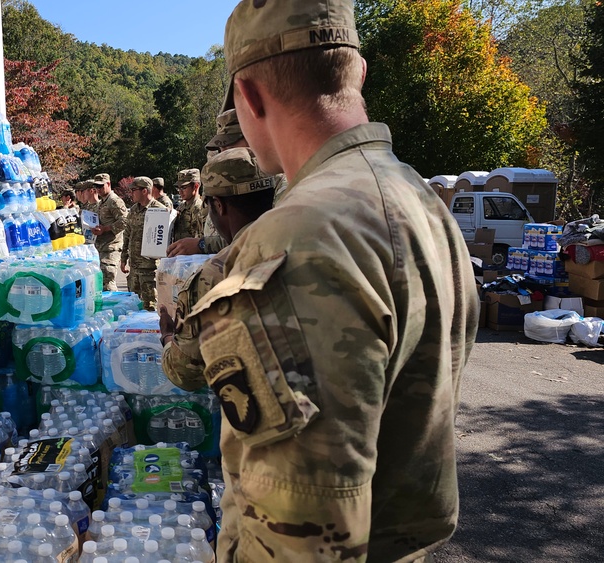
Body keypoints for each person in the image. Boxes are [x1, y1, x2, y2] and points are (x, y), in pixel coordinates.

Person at [181, 1, 480, 561]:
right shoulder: (420, 198)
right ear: (357, 72)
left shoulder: (295, 237)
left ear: (248, 97)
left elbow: (301, 534)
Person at [161, 147, 281, 390]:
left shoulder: (218, 273)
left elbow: (185, 374)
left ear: (218, 204)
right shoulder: (308, 241)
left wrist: (167, 336)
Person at [168, 109, 248, 258]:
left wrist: (202, 245)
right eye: (220, 148)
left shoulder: (272, 182)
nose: (223, 153)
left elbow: (255, 238)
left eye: (229, 146)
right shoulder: (221, 181)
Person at [121, 177, 167, 309]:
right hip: (134, 268)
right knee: (133, 307)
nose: (131, 193)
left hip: (150, 269)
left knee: (150, 308)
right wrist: (124, 258)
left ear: (145, 191)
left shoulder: (159, 210)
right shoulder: (134, 210)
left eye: (134, 190)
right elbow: (127, 234)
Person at [90, 173, 127, 291]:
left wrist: (105, 229)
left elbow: (125, 221)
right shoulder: (102, 202)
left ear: (108, 184)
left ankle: (113, 307)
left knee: (108, 281)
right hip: (101, 247)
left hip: (111, 247)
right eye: (96, 187)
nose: (98, 190)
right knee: (101, 282)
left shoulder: (114, 201)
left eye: (101, 186)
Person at [170, 169, 206, 243]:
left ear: (195, 186)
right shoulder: (181, 206)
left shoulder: (199, 208)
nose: (180, 191)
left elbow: (201, 240)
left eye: (183, 187)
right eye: (178, 188)